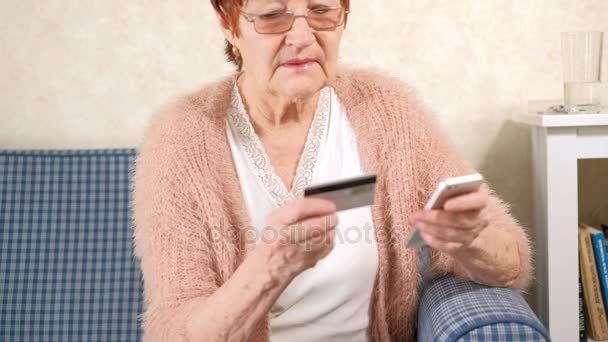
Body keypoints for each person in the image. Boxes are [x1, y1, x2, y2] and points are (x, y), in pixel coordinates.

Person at [133, 0, 532, 341]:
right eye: (273, 14)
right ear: (229, 22)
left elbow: (512, 263)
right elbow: (173, 327)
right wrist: (269, 270)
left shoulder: (388, 111)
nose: (302, 36)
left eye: (322, 11)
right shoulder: (180, 138)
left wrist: (473, 240)